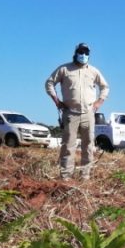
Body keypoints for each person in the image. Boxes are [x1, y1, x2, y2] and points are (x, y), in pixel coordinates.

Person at [45, 43, 110, 180]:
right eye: (81, 52)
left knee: (88, 146)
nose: (83, 55)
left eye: (86, 52)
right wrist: (57, 101)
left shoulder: (93, 71)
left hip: (88, 113)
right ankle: (66, 177)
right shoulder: (64, 69)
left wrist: (99, 103)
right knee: (68, 145)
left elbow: (105, 87)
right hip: (70, 113)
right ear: (75, 53)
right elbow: (49, 83)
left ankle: (85, 177)